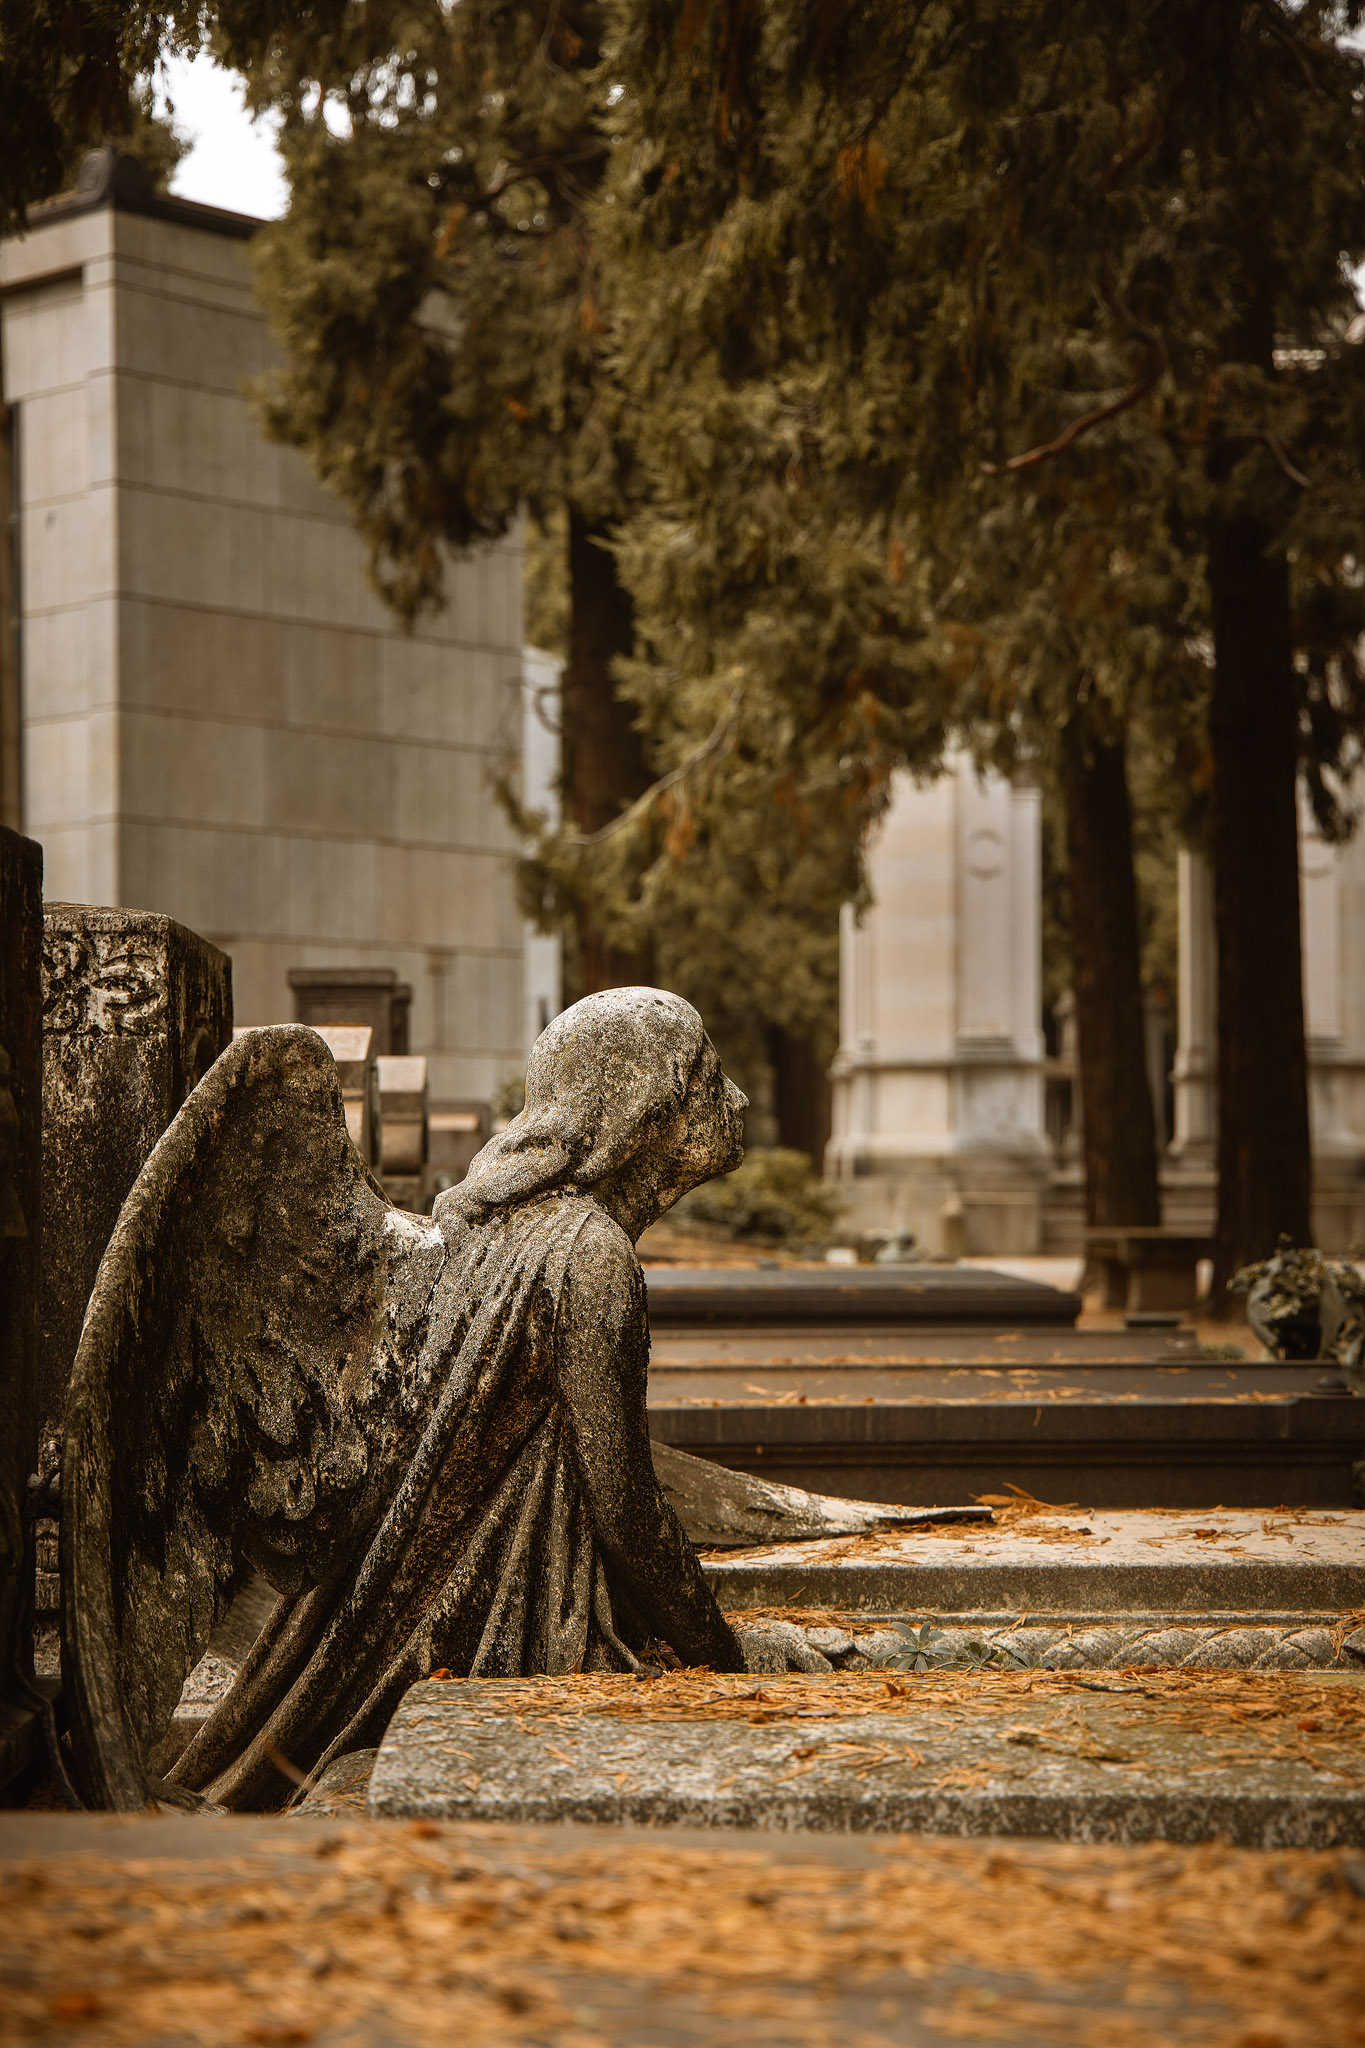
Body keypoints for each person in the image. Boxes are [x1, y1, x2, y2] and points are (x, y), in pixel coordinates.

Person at [169, 988, 768, 1808]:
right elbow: (623, 1511)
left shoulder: (505, 1235)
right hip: (499, 1633)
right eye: (708, 1076)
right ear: (648, 1106)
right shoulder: (589, 1259)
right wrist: (718, 1653)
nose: (732, 1101)